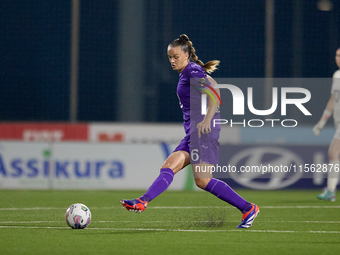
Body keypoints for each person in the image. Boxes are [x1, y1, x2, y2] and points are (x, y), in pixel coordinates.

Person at [120, 34, 259, 228]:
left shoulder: (192, 70)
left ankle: (248, 208)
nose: (172, 60)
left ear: (186, 55)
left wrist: (207, 120)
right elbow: (214, 83)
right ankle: (143, 201)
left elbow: (215, 93)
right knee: (169, 167)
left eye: (175, 56)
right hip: (193, 132)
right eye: (169, 57)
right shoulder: (189, 71)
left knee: (202, 181)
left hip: (204, 131)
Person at [313, 47, 340, 201]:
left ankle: (330, 190)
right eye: (337, 55)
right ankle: (331, 190)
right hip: (337, 122)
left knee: (333, 152)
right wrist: (322, 122)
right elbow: (332, 99)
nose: (338, 58)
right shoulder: (336, 75)